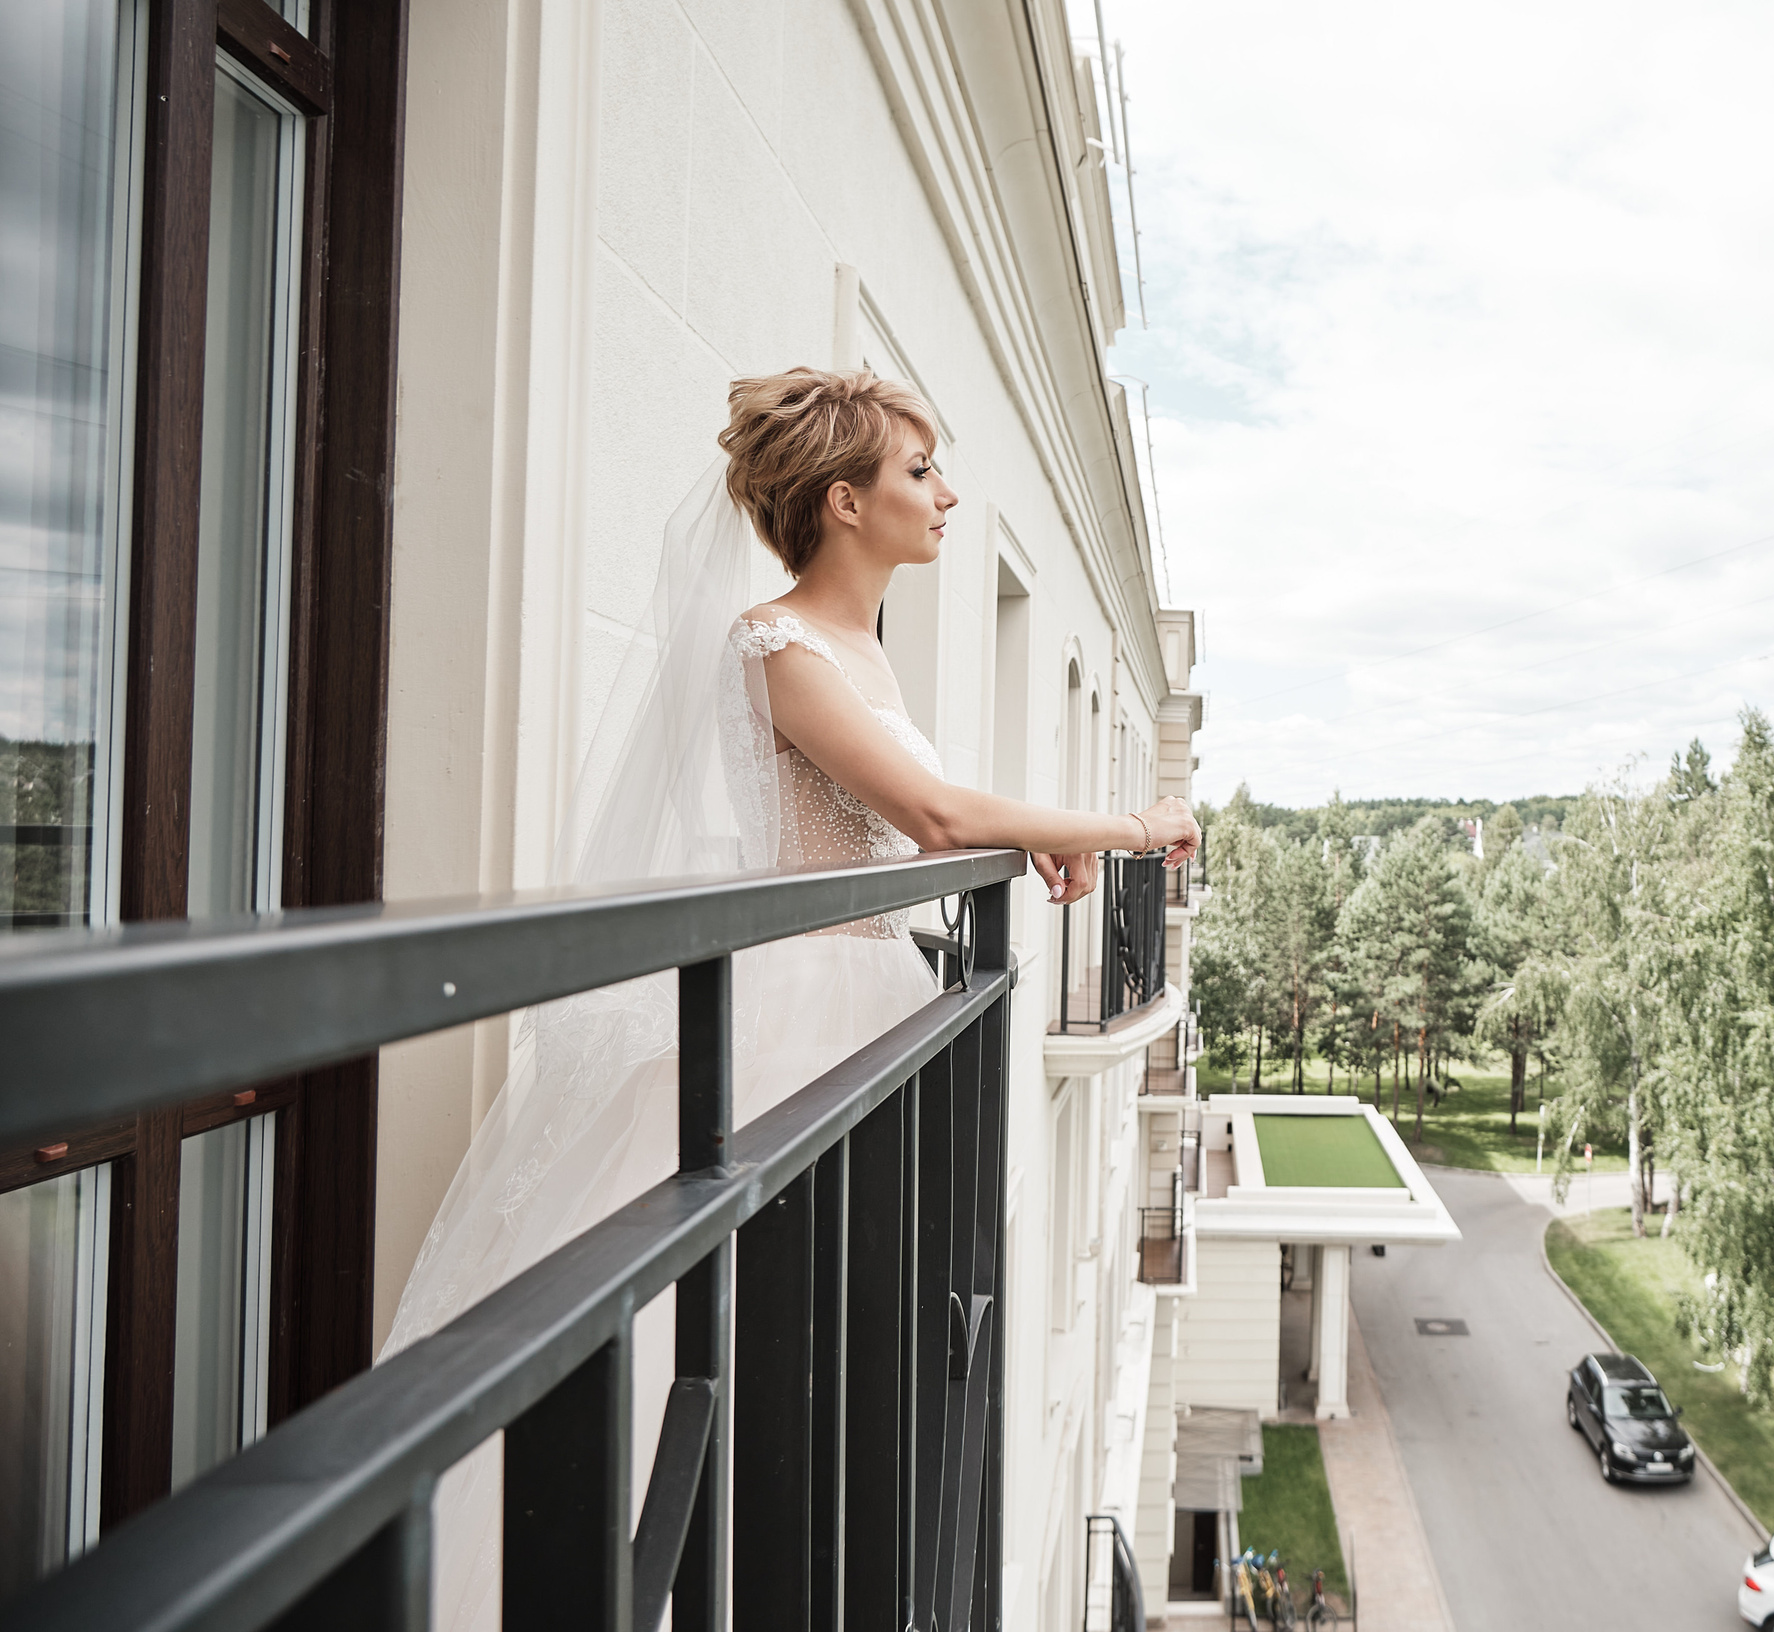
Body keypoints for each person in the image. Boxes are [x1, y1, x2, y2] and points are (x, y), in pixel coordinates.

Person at [382, 367, 1198, 1626]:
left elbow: (915, 816)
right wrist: (1129, 823)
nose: (946, 495)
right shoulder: (778, 644)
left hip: (862, 995)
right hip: (797, 1011)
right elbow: (931, 813)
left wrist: (1031, 836)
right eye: (919, 473)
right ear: (842, 501)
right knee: (703, 1335)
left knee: (819, 1326)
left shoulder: (863, 645)